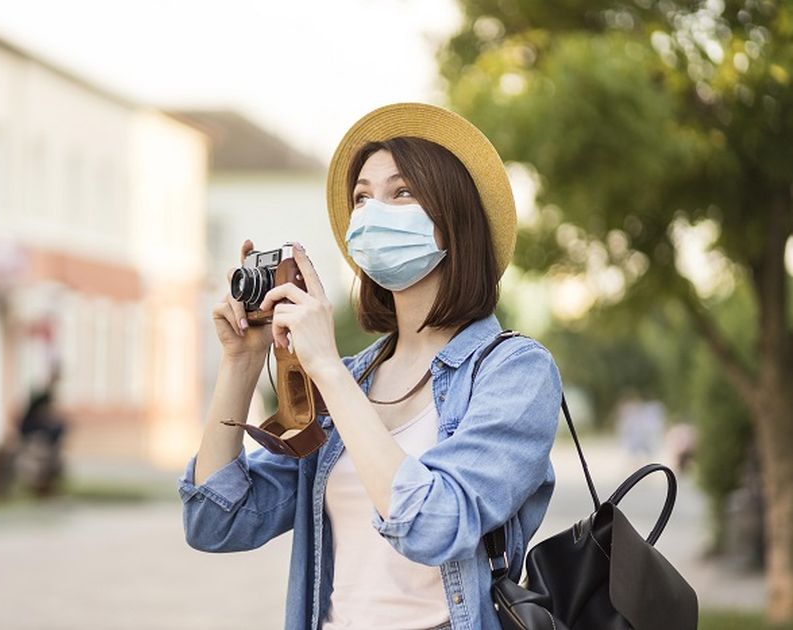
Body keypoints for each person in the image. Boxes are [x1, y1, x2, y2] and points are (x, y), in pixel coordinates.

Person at [178, 103, 563, 630]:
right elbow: (215, 521)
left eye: (401, 193)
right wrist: (241, 364)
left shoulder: (514, 372)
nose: (372, 212)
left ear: (454, 221)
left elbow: (433, 525)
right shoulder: (353, 379)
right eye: (361, 197)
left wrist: (327, 370)